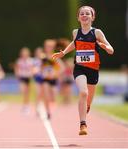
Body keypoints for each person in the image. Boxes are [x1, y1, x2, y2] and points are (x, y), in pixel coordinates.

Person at [52, 6, 114, 135]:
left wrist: (105, 47)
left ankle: (87, 107)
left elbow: (111, 50)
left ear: (93, 17)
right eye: (82, 14)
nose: (84, 15)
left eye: (87, 13)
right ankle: (83, 125)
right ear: (78, 17)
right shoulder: (76, 32)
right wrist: (63, 52)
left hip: (93, 69)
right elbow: (74, 43)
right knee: (83, 93)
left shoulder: (97, 33)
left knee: (88, 100)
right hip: (79, 67)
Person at [41, 39, 64, 119]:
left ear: (53, 48)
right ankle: (47, 112)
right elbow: (37, 67)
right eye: (47, 46)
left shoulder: (55, 57)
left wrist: (55, 74)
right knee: (46, 95)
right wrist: (40, 72)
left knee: (53, 97)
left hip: (53, 79)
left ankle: (51, 108)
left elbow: (62, 68)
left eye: (50, 47)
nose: (48, 48)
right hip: (45, 79)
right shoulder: (42, 57)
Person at [14, 47, 33, 114]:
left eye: (26, 53)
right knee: (23, 91)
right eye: (23, 53)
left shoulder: (30, 60)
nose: (24, 54)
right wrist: (17, 75)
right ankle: (25, 105)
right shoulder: (19, 61)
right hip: (22, 77)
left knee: (27, 93)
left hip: (28, 77)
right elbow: (16, 68)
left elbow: (31, 69)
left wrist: (31, 74)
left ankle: (26, 106)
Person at [32, 47, 44, 115]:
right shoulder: (34, 60)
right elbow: (33, 70)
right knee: (38, 93)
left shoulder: (44, 59)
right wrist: (36, 70)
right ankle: (37, 108)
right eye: (37, 52)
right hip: (38, 78)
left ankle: (41, 107)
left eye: (40, 52)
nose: (39, 53)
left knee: (43, 94)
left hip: (44, 78)